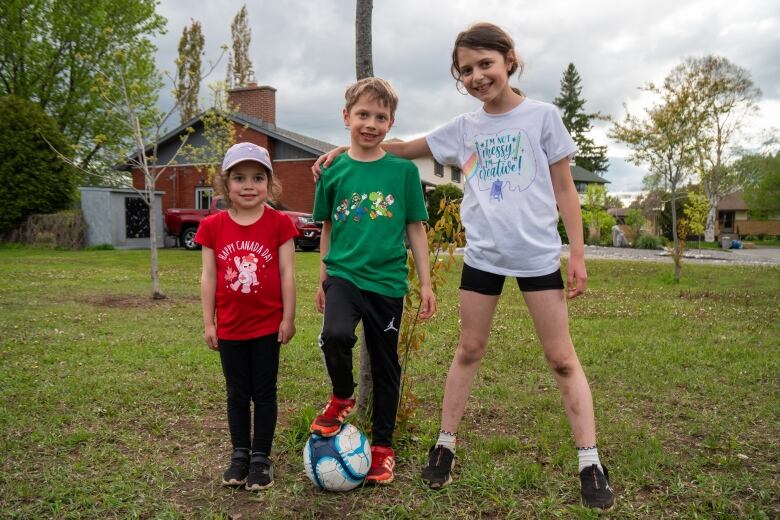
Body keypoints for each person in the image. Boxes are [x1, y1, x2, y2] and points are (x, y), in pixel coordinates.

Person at [313, 23, 614, 510]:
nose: (477, 76)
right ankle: (444, 445)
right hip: (484, 258)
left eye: (485, 64)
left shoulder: (542, 117)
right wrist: (342, 151)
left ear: (509, 60)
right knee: (469, 350)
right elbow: (402, 147)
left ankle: (590, 460)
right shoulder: (464, 129)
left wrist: (576, 251)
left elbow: (564, 188)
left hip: (537, 257)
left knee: (561, 359)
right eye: (467, 70)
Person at [310, 77, 436, 485]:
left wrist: (426, 283)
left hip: (387, 284)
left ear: (391, 121)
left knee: (386, 367)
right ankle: (342, 396)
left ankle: (382, 448)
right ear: (346, 117)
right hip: (344, 276)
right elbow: (328, 228)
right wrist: (323, 279)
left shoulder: (402, 172)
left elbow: (416, 229)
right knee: (335, 335)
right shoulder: (332, 171)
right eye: (363, 114)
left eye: (380, 117)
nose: (371, 123)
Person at [196, 142, 298, 491]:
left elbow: (287, 273)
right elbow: (209, 276)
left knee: (265, 392)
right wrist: (209, 322)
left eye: (257, 177)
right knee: (237, 393)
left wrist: (289, 318)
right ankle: (239, 455)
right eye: (239, 178)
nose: (249, 185)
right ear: (226, 185)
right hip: (231, 328)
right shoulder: (212, 226)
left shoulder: (280, 223)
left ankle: (261, 458)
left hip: (268, 326)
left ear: (269, 183)